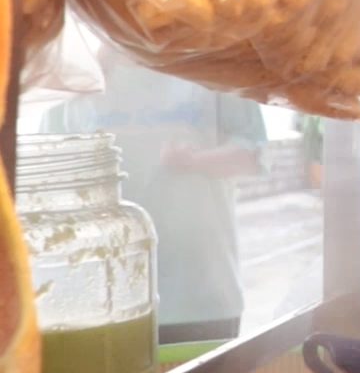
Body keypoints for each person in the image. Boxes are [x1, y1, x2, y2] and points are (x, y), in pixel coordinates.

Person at [41, 50, 265, 344]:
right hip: (105, 300)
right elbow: (47, 176)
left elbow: (254, 155)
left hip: (202, 297)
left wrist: (195, 161)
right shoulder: (77, 79)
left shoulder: (213, 63)